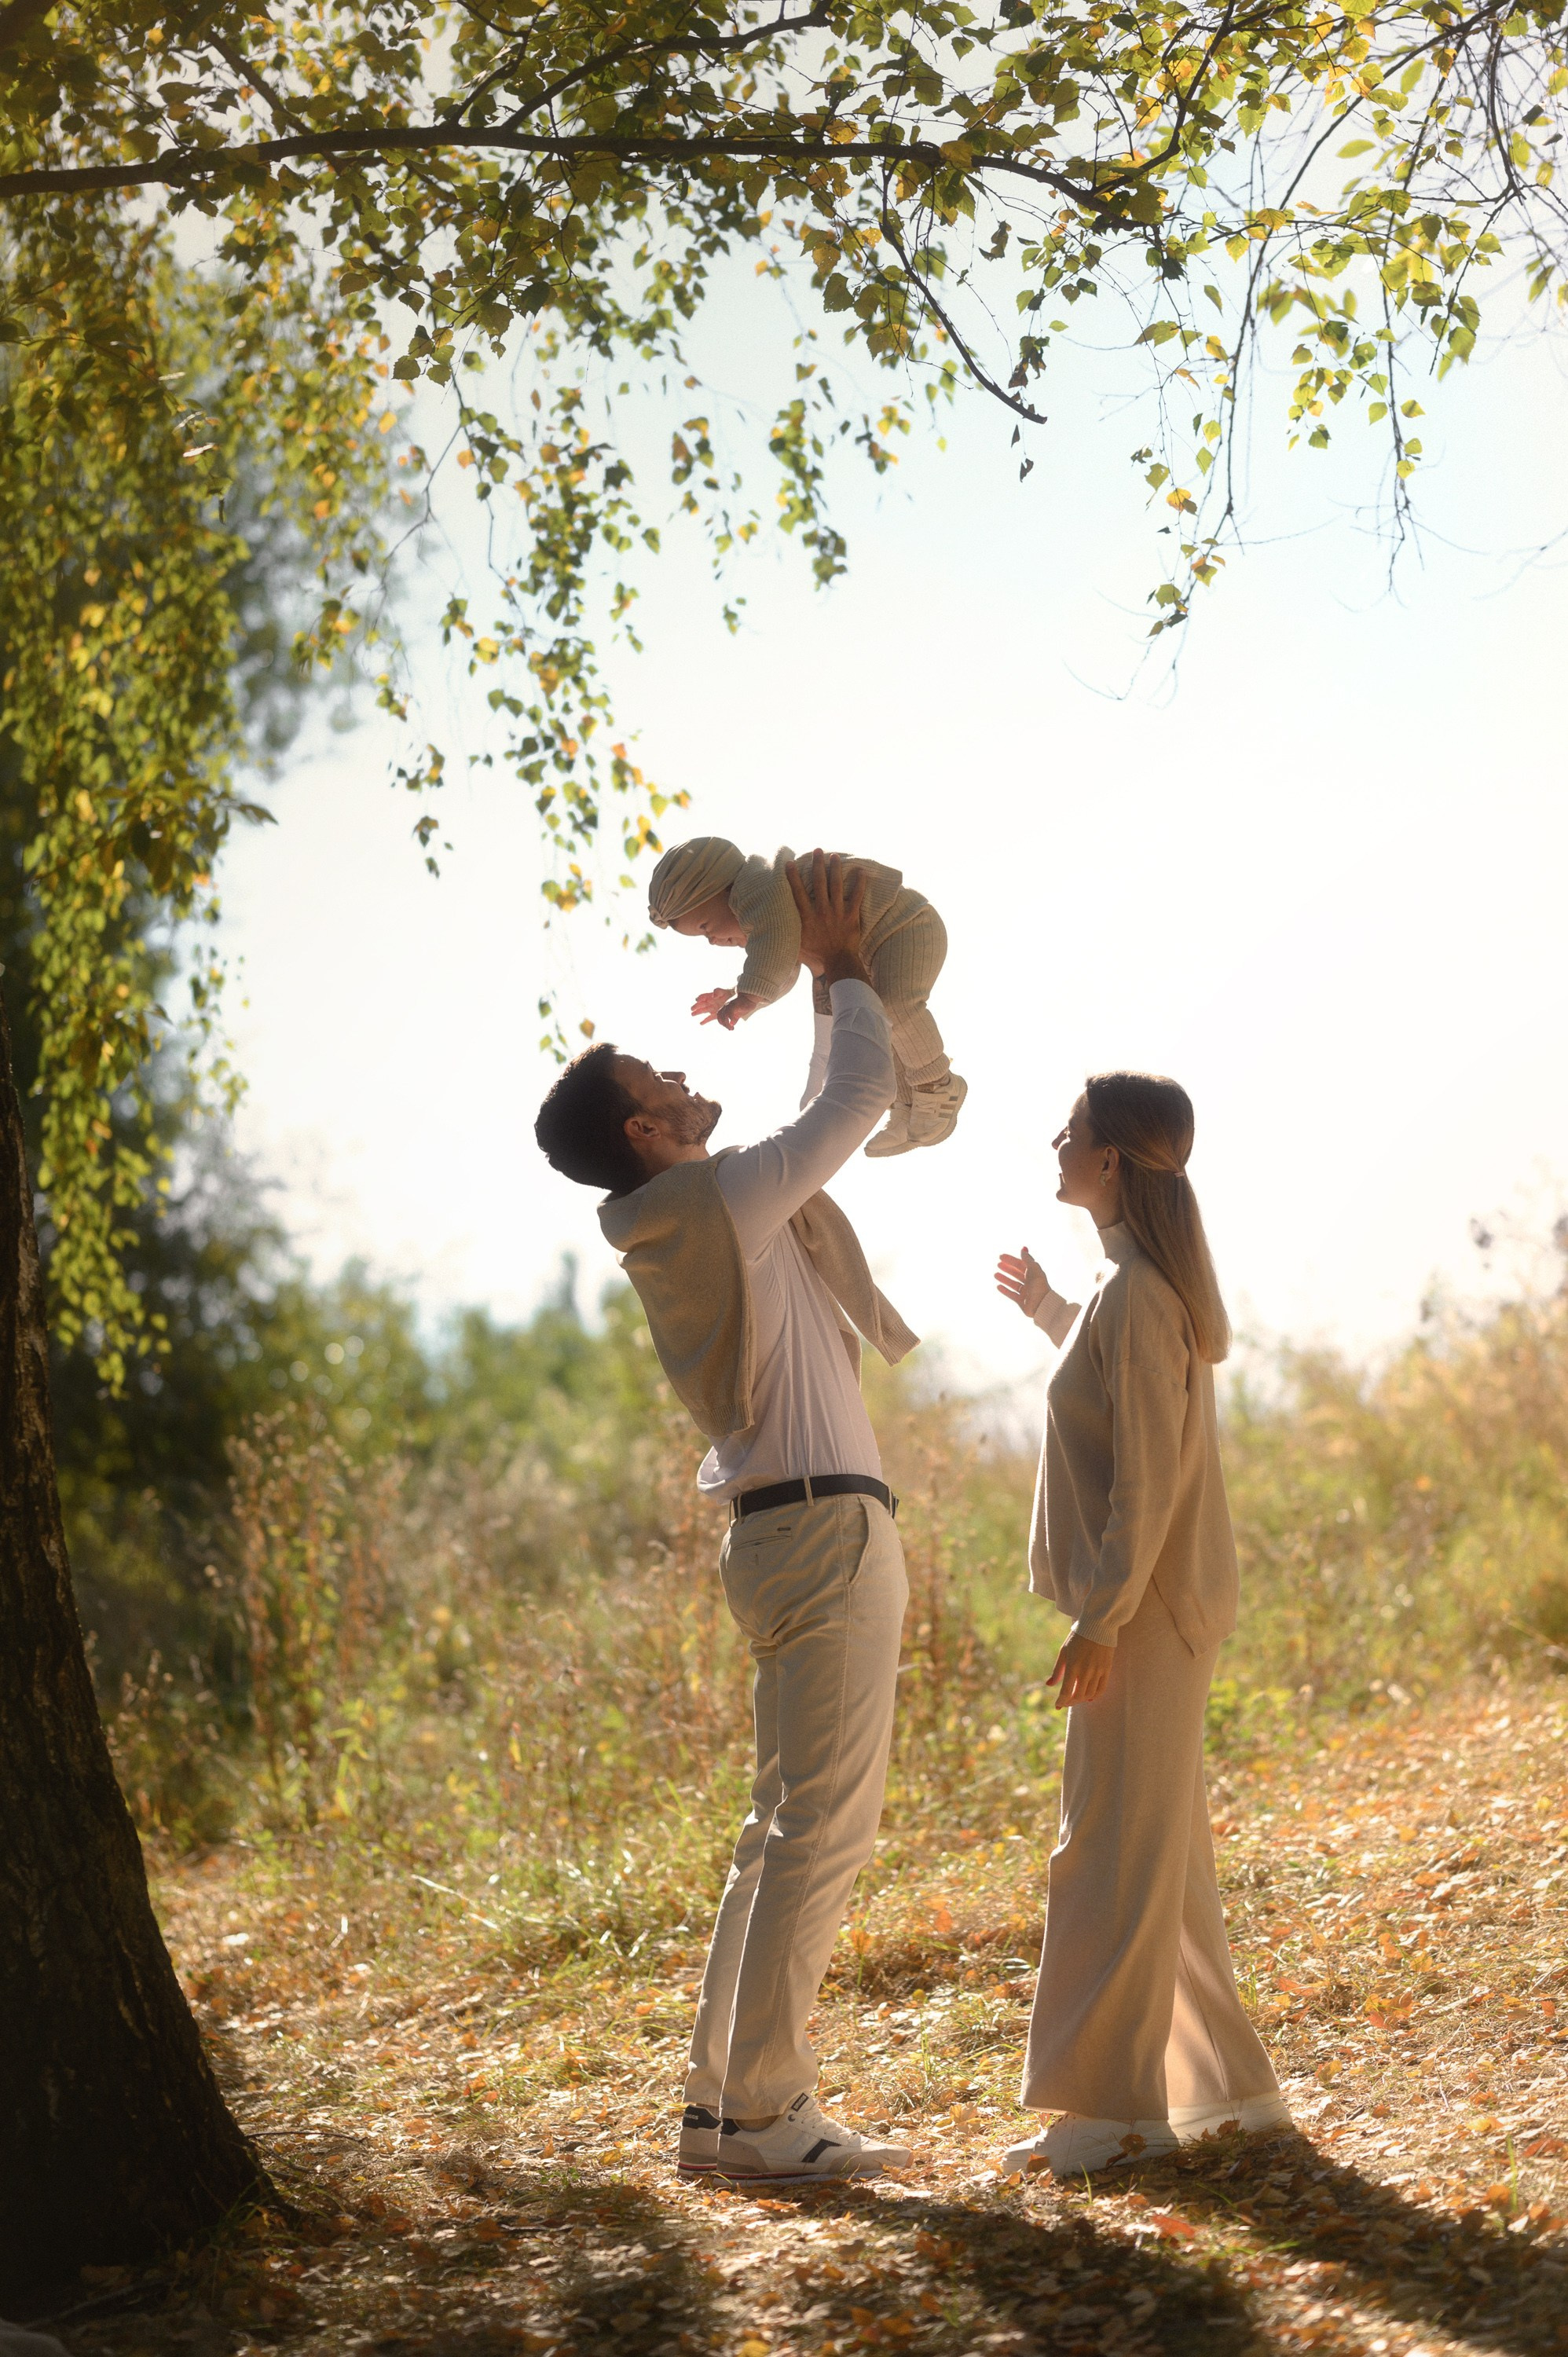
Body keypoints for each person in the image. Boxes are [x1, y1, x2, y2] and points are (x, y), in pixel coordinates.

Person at [534, 852, 919, 2184]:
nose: (679, 1080)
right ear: (648, 1132)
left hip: (784, 1532)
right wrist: (845, 969)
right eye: (657, 1084)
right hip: (820, 1531)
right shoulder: (712, 1202)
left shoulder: (692, 1214)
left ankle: (721, 2118)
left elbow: (821, 1106)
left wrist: (821, 982)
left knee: (779, 1834)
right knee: (821, 1831)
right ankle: (762, 2119)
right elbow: (855, 1101)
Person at [992, 1072, 1288, 2179]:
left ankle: (1108, 2114)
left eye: (1071, 1132)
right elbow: (1122, 1387)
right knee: (1160, 1856)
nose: (1056, 1144)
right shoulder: (1135, 1293)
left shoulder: (1140, 1296)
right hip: (1160, 1614)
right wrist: (1049, 1316)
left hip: (1146, 1618)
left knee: (1108, 1854)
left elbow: (1144, 1489)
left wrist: (1101, 1619)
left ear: (1110, 1160)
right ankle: (1230, 2094)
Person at [645, 833, 966, 1156]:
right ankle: (906, 1106)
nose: (713, 941)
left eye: (704, 926)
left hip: (903, 926)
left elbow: (775, 945)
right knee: (881, 1024)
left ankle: (938, 1088)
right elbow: (783, 965)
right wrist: (740, 996)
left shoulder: (757, 887)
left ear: (724, 889)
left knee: (895, 1009)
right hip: (877, 948)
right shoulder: (772, 910)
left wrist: (746, 994)